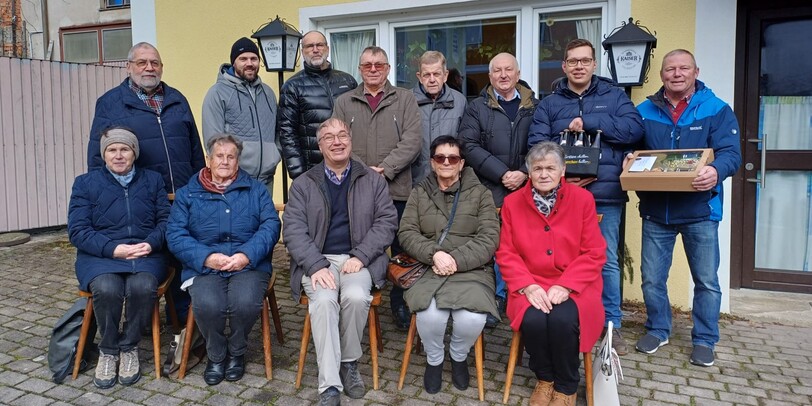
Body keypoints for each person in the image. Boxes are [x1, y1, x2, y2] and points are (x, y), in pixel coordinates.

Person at [528, 38, 644, 354]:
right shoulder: (550, 104)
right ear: (564, 66)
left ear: (594, 64)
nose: (578, 66)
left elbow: (635, 130)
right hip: (561, 196)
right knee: (560, 259)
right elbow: (536, 144)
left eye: (584, 61)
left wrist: (590, 122)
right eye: (572, 61)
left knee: (605, 261)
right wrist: (562, 174)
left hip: (604, 193)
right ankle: (569, 318)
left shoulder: (615, 96)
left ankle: (610, 328)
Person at [633, 49, 741, 367]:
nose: (677, 74)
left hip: (700, 211)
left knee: (706, 281)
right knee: (652, 279)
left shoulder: (716, 109)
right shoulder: (644, 111)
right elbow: (632, 148)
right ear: (662, 75)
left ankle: (705, 339)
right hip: (657, 211)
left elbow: (731, 154)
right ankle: (658, 329)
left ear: (696, 72)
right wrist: (628, 157)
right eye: (670, 69)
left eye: (683, 68)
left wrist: (716, 171)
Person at [87, 41, 204, 325]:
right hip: (142, 198)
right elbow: (98, 156)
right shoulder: (110, 103)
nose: (149, 68)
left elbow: (195, 149)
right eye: (142, 62)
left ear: (162, 67)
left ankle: (183, 322)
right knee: (150, 258)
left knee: (182, 257)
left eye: (155, 63)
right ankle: (141, 322)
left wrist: (199, 186)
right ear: (128, 67)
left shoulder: (177, 99)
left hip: (182, 196)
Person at [283, 118, 398, 406]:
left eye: (342, 135)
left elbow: (386, 222)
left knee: (356, 296)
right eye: (329, 137)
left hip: (358, 258)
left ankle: (348, 362)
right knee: (323, 301)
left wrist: (361, 255)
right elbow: (293, 230)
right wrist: (314, 264)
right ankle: (330, 385)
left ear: (350, 140)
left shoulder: (372, 180)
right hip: (318, 259)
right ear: (320, 146)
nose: (337, 142)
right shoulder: (304, 183)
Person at [497, 141, 606, 406]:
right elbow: (507, 252)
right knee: (533, 320)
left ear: (562, 171)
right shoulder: (512, 203)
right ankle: (545, 379)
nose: (544, 174)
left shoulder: (583, 199)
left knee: (562, 320)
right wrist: (527, 285)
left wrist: (566, 285)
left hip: (575, 283)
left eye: (550, 168)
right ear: (529, 172)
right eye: (537, 169)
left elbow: (594, 251)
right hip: (531, 282)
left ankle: (567, 386)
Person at [166, 134, 281, 385]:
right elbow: (175, 234)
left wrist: (246, 255)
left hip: (248, 265)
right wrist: (206, 257)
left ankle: (237, 351)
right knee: (208, 304)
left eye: (231, 156)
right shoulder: (188, 193)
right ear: (209, 159)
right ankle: (216, 354)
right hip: (205, 266)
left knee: (245, 302)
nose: (225, 161)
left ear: (238, 162)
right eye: (219, 156)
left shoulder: (256, 191)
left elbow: (271, 226)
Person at [69, 128, 170, 389]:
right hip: (100, 255)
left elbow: (166, 221)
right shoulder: (85, 184)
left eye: (125, 149)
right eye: (112, 150)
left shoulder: (153, 180)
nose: (118, 155)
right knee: (107, 288)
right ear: (104, 155)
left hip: (145, 253)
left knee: (142, 286)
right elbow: (78, 230)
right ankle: (108, 349)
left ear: (134, 153)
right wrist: (113, 249)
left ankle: (129, 347)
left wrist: (151, 243)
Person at [399, 135, 499, 394]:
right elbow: (407, 232)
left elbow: (489, 237)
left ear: (461, 163)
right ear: (432, 163)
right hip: (429, 267)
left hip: (471, 269)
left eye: (453, 158)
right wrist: (434, 254)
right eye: (440, 157)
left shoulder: (481, 194)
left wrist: (455, 259)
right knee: (430, 315)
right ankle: (434, 359)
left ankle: (458, 355)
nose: (446, 162)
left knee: (472, 318)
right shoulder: (419, 193)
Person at [332, 46, 422, 331]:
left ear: (388, 69)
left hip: (397, 189)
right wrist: (364, 171)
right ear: (360, 69)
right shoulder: (344, 101)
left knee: (401, 247)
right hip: (355, 189)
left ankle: (401, 300)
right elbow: (338, 139)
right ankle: (358, 292)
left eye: (379, 65)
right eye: (367, 65)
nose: (373, 69)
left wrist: (386, 169)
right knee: (359, 241)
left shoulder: (405, 99)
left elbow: (412, 141)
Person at [459, 52, 539, 328]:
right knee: (492, 244)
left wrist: (525, 172)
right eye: (497, 71)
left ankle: (516, 296)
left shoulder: (535, 107)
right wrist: (502, 173)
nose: (503, 75)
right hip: (488, 187)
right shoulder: (476, 108)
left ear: (518, 74)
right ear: (490, 76)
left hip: (528, 188)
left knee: (521, 246)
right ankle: (493, 298)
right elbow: (468, 145)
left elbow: (544, 143)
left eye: (508, 70)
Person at [202, 37, 280, 193]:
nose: (249, 63)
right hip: (234, 182)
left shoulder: (268, 93)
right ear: (234, 62)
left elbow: (278, 131)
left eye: (254, 58)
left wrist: (275, 155)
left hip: (265, 180)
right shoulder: (217, 93)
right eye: (243, 59)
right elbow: (213, 141)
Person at [278, 30, 357, 179]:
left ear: (327, 48)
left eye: (319, 45)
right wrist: (298, 174)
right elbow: (287, 133)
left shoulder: (347, 81)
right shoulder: (292, 86)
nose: (315, 50)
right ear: (303, 51)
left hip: (348, 166)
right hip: (312, 170)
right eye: (310, 46)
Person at [411, 51, 467, 185]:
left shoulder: (460, 102)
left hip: (451, 181)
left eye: (436, 74)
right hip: (417, 181)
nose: (432, 80)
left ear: (445, 75)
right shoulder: (407, 101)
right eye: (426, 75)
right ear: (419, 77)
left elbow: (465, 143)